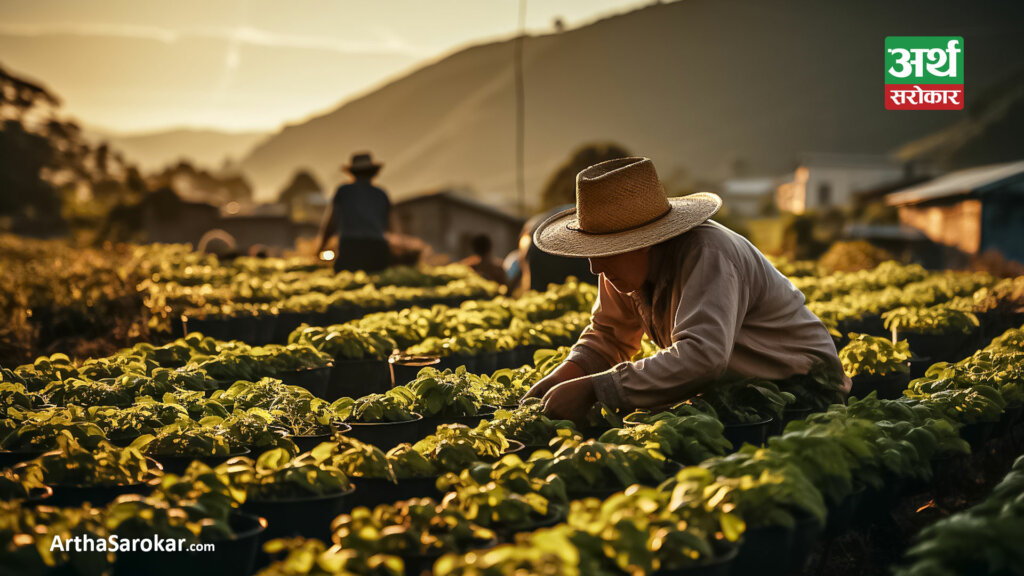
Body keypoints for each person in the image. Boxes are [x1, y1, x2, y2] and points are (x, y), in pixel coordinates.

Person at [522, 157, 850, 424]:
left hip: (802, 392)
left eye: (604, 252)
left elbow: (702, 356)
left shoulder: (709, 253)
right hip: (738, 393)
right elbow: (608, 336)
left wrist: (596, 388)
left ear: (643, 243)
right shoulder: (620, 267)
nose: (595, 268)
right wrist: (560, 379)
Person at [317, 152, 392, 273]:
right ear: (372, 173)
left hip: (351, 248)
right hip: (377, 249)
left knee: (345, 282)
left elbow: (332, 223)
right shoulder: (381, 194)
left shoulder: (344, 191)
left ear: (353, 173)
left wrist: (321, 247)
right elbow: (389, 227)